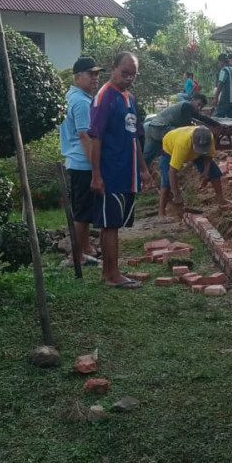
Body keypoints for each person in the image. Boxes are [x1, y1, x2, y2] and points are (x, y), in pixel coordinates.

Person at [88, 51, 154, 289]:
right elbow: (95, 138)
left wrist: (144, 170)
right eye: (124, 73)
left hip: (128, 173)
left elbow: (134, 137)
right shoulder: (105, 96)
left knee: (116, 223)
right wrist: (96, 175)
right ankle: (111, 275)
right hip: (110, 172)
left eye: (133, 74)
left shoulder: (129, 98)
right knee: (110, 224)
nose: (128, 78)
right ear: (113, 67)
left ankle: (112, 270)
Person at [59, 57, 102, 267]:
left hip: (76, 162)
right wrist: (96, 170)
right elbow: (85, 137)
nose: (96, 78)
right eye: (90, 74)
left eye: (97, 74)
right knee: (82, 213)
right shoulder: (81, 102)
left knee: (83, 212)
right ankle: (74, 258)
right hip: (83, 164)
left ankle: (84, 251)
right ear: (77, 77)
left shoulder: (72, 96)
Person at [157, 125, 230, 215]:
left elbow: (208, 156)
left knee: (214, 172)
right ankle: (161, 211)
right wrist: (177, 195)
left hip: (192, 150)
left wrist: (206, 172)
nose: (201, 151)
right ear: (192, 140)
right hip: (169, 149)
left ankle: (221, 199)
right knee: (167, 181)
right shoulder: (182, 144)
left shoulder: (208, 137)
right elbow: (172, 172)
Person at [142, 94, 220, 165]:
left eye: (201, 107)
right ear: (192, 100)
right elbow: (187, 126)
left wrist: (215, 124)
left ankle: (140, 174)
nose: (199, 108)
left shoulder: (187, 107)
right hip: (162, 129)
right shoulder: (186, 106)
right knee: (186, 136)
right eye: (198, 104)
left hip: (152, 127)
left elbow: (201, 117)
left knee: (147, 156)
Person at [212, 53, 232, 118]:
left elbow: (220, 83)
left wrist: (216, 98)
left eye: (219, 62)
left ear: (221, 61)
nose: (219, 64)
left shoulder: (224, 70)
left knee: (217, 116)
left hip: (226, 99)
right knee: (229, 119)